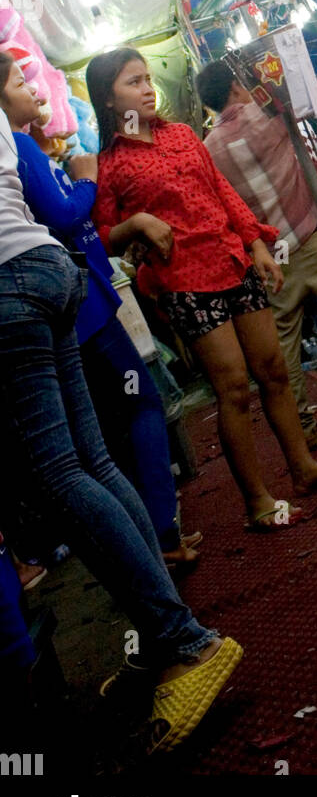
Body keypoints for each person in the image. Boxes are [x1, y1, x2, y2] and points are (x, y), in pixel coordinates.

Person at [0, 91, 241, 752]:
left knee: (61, 477)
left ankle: (181, 641)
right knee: (91, 462)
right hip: (43, 272)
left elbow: (65, 207)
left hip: (7, 289)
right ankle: (165, 631)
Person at [86, 48, 317, 533]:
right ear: (109, 100)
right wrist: (138, 223)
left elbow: (221, 190)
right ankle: (257, 500)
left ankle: (303, 468)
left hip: (232, 261)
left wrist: (254, 241)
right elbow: (103, 233)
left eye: (149, 78)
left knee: (274, 370)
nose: (148, 88)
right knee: (233, 389)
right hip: (184, 281)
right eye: (133, 82)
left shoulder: (183, 135)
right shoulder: (107, 165)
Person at [0, 52, 198, 569]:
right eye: (23, 84)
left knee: (111, 430)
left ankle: (149, 542)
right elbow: (66, 216)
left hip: (82, 302)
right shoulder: (18, 147)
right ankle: (159, 535)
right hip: (80, 311)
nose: (39, 94)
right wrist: (86, 179)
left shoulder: (33, 149)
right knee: (140, 407)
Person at [195, 28, 317, 409]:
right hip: (313, 239)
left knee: (284, 356)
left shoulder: (208, 149)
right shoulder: (265, 113)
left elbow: (292, 169)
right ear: (235, 87)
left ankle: (303, 428)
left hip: (271, 262)